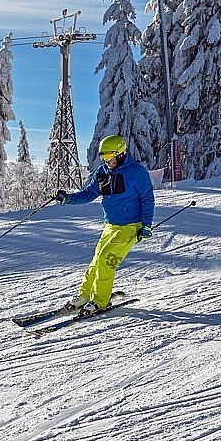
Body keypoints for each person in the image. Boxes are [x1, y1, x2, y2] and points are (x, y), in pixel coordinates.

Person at [52, 134, 154, 315]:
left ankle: (100, 300)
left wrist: (145, 226)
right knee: (96, 261)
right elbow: (88, 194)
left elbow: (147, 199)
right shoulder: (102, 172)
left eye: (109, 157)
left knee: (106, 261)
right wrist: (68, 199)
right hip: (110, 226)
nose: (106, 161)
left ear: (121, 154)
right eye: (103, 157)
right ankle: (84, 296)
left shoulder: (137, 173)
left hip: (130, 227)